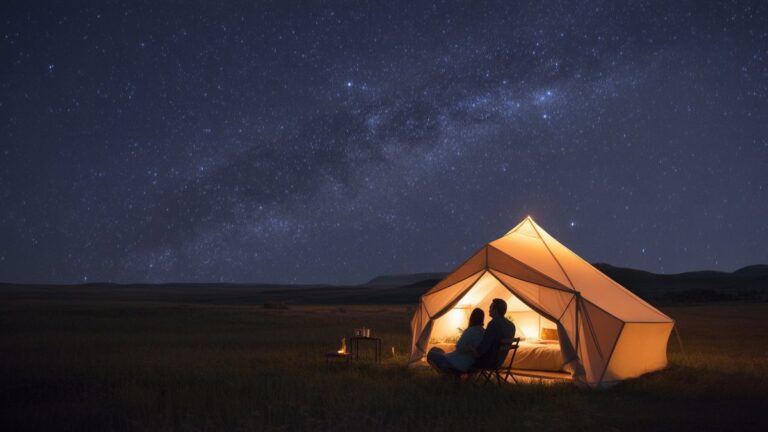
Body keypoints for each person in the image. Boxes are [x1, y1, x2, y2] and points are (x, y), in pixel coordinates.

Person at [427, 308, 485, 375]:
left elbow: (459, 346)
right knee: (436, 349)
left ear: (472, 318)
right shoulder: (483, 332)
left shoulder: (470, 330)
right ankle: (446, 364)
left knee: (431, 354)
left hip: (456, 363)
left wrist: (467, 348)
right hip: (468, 362)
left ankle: (446, 373)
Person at [473, 298, 516, 369]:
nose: (489, 310)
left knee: (467, 355)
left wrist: (473, 351)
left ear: (495, 310)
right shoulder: (512, 326)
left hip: (488, 362)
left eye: (490, 308)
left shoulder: (493, 324)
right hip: (499, 361)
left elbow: (484, 346)